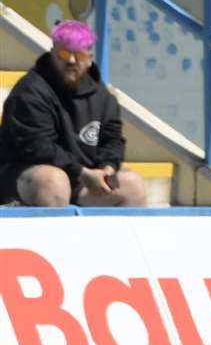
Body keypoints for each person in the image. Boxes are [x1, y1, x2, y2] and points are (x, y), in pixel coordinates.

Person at [0, 21, 144, 207]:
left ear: (90, 57)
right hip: (23, 175)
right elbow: (38, 148)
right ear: (53, 52)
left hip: (80, 177)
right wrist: (82, 172)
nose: (71, 61)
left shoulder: (102, 96)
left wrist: (108, 168)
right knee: (54, 181)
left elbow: (112, 139)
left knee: (132, 185)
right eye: (64, 53)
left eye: (79, 54)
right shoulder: (30, 91)